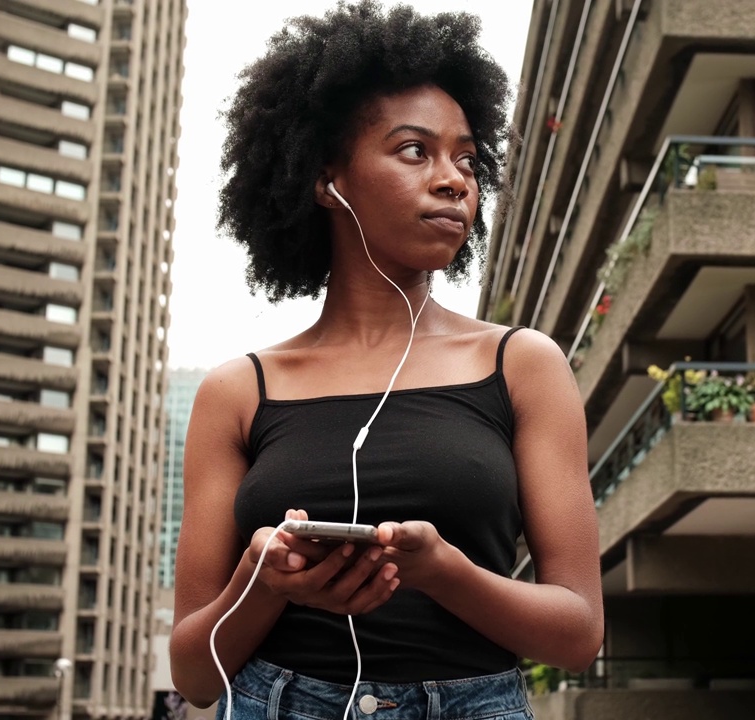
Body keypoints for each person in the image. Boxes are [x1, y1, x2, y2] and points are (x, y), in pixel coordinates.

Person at [168, 2, 604, 718]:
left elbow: (580, 634)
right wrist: (262, 577)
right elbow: (193, 673)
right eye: (414, 151)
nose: (454, 180)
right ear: (326, 178)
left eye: (466, 158)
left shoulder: (523, 364)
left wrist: (444, 573)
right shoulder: (237, 391)